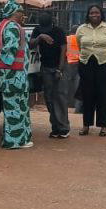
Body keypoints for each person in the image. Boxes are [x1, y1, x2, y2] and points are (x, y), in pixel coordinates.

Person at [0, 0, 33, 150]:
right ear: (13, 12)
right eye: (20, 11)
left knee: (19, 106)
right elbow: (10, 49)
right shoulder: (11, 27)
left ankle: (22, 139)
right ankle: (14, 141)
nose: (22, 14)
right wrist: (3, 65)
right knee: (14, 107)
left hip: (16, 73)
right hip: (13, 74)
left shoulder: (11, 26)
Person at [75, 4, 106, 137]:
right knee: (87, 94)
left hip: (104, 63)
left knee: (103, 94)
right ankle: (86, 125)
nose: (94, 15)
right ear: (88, 15)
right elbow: (78, 44)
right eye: (91, 13)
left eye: (97, 13)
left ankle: (103, 126)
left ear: (101, 14)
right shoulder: (81, 29)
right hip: (86, 63)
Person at [29, 11, 69, 139]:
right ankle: (55, 127)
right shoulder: (38, 30)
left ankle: (64, 128)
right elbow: (31, 44)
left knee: (60, 98)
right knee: (49, 98)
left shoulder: (58, 31)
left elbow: (63, 50)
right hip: (45, 68)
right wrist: (40, 36)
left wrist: (60, 70)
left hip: (58, 67)